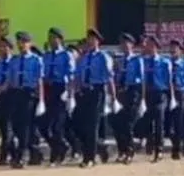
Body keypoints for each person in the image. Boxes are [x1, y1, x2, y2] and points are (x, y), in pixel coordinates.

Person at [74, 29, 113, 168]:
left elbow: (109, 77)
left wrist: (112, 98)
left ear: (98, 41)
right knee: (80, 125)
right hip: (84, 92)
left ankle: (89, 157)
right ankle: (100, 147)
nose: (90, 41)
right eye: (88, 39)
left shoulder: (103, 57)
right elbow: (77, 76)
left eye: (93, 39)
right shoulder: (83, 58)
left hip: (97, 92)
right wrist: (74, 92)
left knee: (92, 126)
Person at [7, 31, 45, 168]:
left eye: (24, 42)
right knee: (16, 125)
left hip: (29, 94)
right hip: (16, 94)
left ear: (30, 43)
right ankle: (34, 153)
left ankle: (21, 156)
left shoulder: (36, 60)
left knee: (25, 126)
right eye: (19, 42)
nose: (21, 44)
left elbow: (39, 80)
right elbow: (10, 80)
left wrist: (41, 100)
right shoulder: (14, 60)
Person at [41, 27, 73, 164]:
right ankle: (61, 146)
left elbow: (71, 75)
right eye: (49, 37)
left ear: (59, 39)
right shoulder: (46, 56)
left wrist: (69, 93)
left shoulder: (66, 55)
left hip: (61, 90)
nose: (50, 40)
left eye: (53, 37)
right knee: (44, 125)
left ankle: (57, 154)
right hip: (48, 89)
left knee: (57, 125)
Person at [111, 33, 143, 164]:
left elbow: (142, 80)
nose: (124, 46)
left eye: (127, 43)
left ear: (132, 45)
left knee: (128, 124)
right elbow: (114, 77)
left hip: (132, 93)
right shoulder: (119, 60)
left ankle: (129, 151)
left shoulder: (137, 60)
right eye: (122, 43)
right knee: (117, 123)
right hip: (120, 93)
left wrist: (142, 99)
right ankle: (121, 150)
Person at [140, 35, 171, 162]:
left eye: (152, 45)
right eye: (148, 45)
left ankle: (159, 150)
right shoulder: (144, 62)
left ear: (157, 47)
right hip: (148, 94)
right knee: (147, 121)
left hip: (160, 94)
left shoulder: (164, 62)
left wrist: (171, 97)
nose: (150, 47)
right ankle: (149, 143)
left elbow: (169, 80)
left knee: (159, 123)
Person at [0, 37, 15, 166]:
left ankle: (4, 156)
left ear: (11, 48)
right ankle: (13, 154)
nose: (2, 49)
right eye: (1, 46)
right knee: (4, 127)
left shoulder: (15, 62)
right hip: (0, 96)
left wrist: (7, 85)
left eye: (5, 46)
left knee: (10, 129)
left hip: (13, 96)